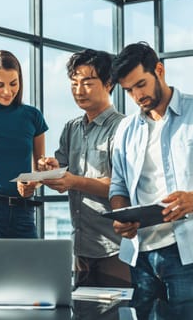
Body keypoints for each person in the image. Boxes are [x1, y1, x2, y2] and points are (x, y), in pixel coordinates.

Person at [109, 42, 193, 319]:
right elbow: (118, 185)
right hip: (140, 256)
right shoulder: (125, 129)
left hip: (188, 253)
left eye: (141, 85)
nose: (137, 96)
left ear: (159, 70)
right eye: (129, 90)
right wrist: (121, 213)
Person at [38, 49, 130, 287]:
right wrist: (51, 168)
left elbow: (123, 187)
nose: (79, 91)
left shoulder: (122, 128)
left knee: (113, 313)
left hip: (115, 248)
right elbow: (62, 172)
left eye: (87, 83)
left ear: (109, 83)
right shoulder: (71, 128)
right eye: (74, 83)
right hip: (82, 246)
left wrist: (73, 181)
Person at [0, 50, 48, 238]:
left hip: (24, 210)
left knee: (30, 267)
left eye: (13, 83)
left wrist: (33, 184)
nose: (8, 91)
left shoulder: (32, 116)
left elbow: (40, 170)